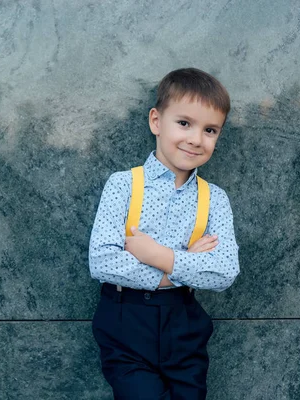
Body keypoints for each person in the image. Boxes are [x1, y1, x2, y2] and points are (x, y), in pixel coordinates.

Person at [89, 68, 240, 400]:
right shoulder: (124, 184)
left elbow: (225, 270)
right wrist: (183, 270)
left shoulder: (214, 198)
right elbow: (103, 261)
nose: (196, 138)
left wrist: (159, 256)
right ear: (156, 121)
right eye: (184, 123)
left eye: (210, 129)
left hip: (183, 325)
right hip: (126, 321)